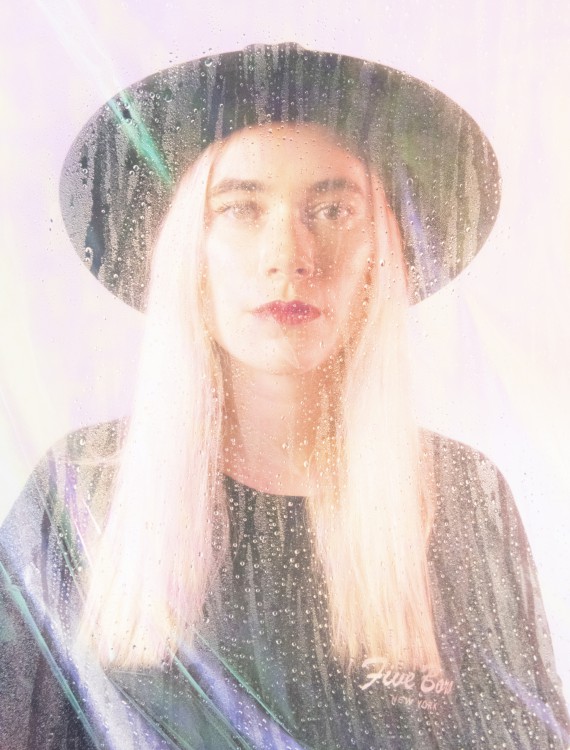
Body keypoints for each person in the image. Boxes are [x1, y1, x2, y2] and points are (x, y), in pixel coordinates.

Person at [0, 43, 568, 750]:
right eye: (240, 208)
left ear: (381, 254)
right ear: (188, 251)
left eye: (333, 210)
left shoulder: (460, 498)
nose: (290, 256)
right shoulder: (79, 496)